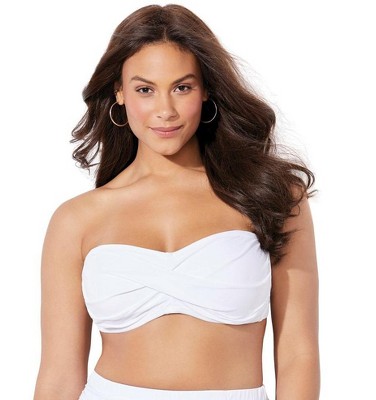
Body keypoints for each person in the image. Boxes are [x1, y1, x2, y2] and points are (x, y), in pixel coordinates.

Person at [33, 4, 320, 400]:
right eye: (145, 89)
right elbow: (59, 376)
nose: (165, 111)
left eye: (182, 88)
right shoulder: (77, 220)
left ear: (206, 90)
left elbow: (298, 354)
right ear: (119, 91)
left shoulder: (272, 196)